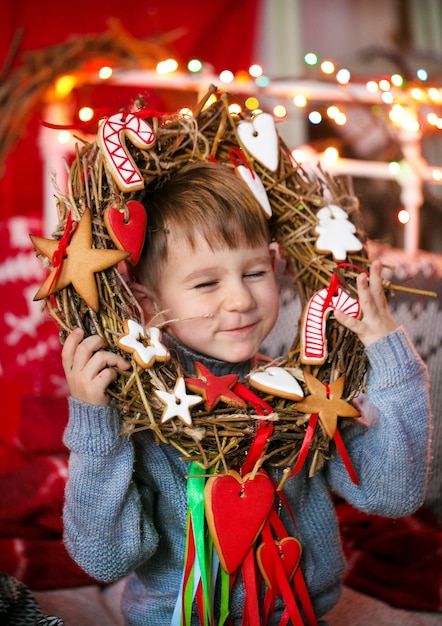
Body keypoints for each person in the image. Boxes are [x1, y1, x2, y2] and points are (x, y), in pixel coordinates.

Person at [60, 161, 431, 625]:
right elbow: (105, 558)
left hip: (301, 616)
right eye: (206, 283)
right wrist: (96, 425)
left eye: (254, 273)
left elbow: (391, 493)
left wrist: (389, 352)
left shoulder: (307, 399)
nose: (239, 299)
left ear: (275, 266)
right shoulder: (139, 413)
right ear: (149, 302)